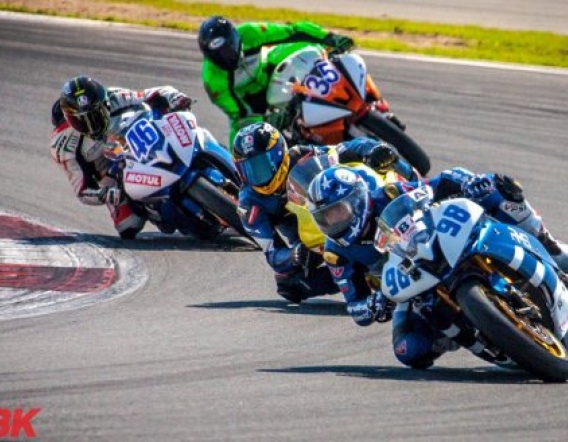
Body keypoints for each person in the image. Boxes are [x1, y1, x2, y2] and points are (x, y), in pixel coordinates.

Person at [307, 165, 568, 368]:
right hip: (409, 285)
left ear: (357, 199)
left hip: (438, 242)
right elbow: (355, 308)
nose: (332, 222)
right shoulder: (335, 252)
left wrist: (469, 182)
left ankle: (551, 248)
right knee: (409, 350)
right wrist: (374, 304)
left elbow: (440, 182)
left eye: (337, 212)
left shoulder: (388, 194)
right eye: (325, 219)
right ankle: (478, 335)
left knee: (496, 190)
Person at [231, 121, 418, 304]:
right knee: (289, 284)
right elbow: (273, 254)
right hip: (309, 242)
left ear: (279, 153)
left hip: (336, 210)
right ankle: (359, 286)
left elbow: (344, 149)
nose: (255, 175)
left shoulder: (302, 155)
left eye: (260, 165)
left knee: (385, 159)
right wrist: (294, 255)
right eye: (247, 169)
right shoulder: (249, 204)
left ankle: (414, 183)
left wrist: (372, 151)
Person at [50, 75, 192, 239]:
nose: (91, 125)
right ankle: (157, 210)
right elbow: (82, 191)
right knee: (128, 225)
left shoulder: (115, 96)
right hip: (112, 174)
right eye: (80, 121)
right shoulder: (64, 145)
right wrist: (103, 194)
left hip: (138, 138)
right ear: (68, 119)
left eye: (96, 114)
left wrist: (175, 98)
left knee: (180, 125)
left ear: (105, 103)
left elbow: (153, 93)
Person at [197, 16, 355, 147]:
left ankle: (339, 87)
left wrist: (330, 38)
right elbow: (239, 114)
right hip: (250, 103)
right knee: (239, 145)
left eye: (229, 48)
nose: (227, 57)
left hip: (268, 70)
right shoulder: (212, 80)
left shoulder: (250, 32)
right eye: (219, 55)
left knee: (305, 45)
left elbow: (292, 31)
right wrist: (265, 121)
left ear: (236, 38)